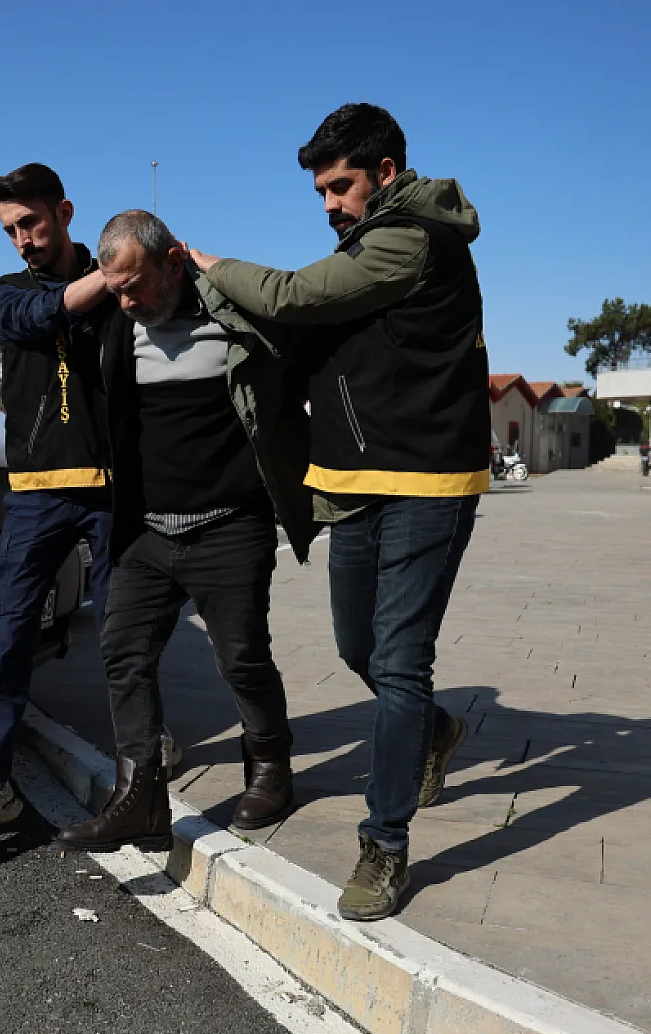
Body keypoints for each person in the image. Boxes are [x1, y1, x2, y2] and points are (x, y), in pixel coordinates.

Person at [189, 104, 491, 920]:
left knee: (399, 660)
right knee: (358, 646)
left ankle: (384, 844)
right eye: (320, 190)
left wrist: (206, 264)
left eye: (340, 185)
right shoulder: (367, 244)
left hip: (428, 484)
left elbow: (290, 295)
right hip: (356, 481)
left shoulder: (409, 238)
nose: (328, 202)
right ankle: (433, 731)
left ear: (384, 173)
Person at [56, 211, 316, 852]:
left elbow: (303, 335)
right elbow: (29, 319)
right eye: (113, 288)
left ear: (173, 262)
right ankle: (140, 799)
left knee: (242, 658)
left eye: (134, 285)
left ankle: (270, 766)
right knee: (123, 654)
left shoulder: (235, 315)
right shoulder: (114, 324)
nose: (125, 300)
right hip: (145, 533)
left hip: (230, 527)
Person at [0, 163, 116, 855]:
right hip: (39, 491)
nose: (22, 240)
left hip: (113, 488)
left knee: (128, 632)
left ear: (64, 213)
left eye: (31, 224)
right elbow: (37, 317)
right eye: (10, 230)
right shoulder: (5, 293)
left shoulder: (117, 284)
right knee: (9, 633)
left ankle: (146, 748)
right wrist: (114, 273)